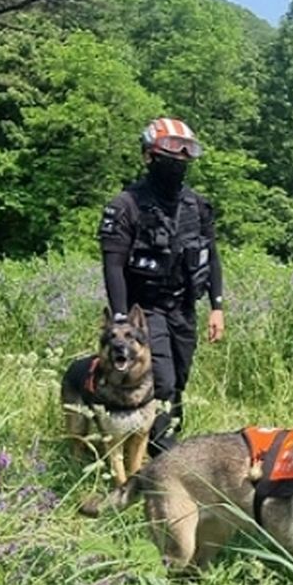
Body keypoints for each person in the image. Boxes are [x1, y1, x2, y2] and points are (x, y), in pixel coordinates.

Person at [99, 117, 224, 455]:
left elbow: (212, 256)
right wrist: (122, 318)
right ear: (148, 157)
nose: (177, 166)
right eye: (170, 159)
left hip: (183, 307)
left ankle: (161, 442)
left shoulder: (197, 206)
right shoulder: (125, 206)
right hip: (145, 308)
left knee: (178, 380)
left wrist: (217, 306)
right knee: (162, 380)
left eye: (184, 160)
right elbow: (113, 265)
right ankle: (163, 455)